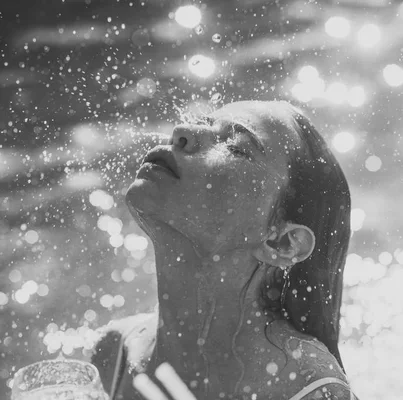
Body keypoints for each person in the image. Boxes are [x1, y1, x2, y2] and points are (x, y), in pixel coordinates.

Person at [91, 101, 357, 400]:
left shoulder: (309, 388)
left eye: (237, 147)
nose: (182, 131)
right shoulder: (113, 355)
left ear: (281, 243)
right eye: (201, 123)